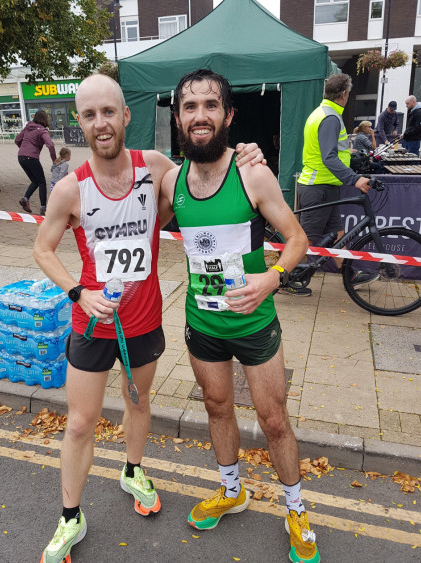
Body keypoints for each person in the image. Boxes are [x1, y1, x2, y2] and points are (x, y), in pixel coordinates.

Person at [33, 73, 263, 563]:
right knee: (80, 423)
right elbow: (43, 248)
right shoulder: (70, 190)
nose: (101, 123)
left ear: (126, 116)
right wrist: (78, 292)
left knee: (138, 402)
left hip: (144, 320)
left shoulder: (155, 166)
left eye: (109, 112)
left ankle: (132, 469)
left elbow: (209, 170)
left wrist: (249, 154)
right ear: (79, 122)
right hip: (93, 323)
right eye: (90, 115)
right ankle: (70, 518)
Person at [157, 68, 318, 563]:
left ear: (227, 115)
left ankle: (295, 507)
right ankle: (232, 490)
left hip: (253, 322)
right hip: (202, 323)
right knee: (216, 407)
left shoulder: (252, 173)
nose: (199, 115)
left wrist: (272, 279)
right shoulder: (171, 180)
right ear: (179, 119)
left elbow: (297, 240)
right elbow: (135, 215)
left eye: (210, 105)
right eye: (189, 107)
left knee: (273, 420)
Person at [296, 73, 373, 297]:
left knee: (338, 233)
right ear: (343, 94)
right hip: (317, 186)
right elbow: (328, 157)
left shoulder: (323, 113)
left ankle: (349, 275)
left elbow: (327, 151)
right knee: (306, 239)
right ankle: (284, 278)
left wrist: (347, 153)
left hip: (325, 185)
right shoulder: (330, 117)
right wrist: (355, 178)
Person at [16, 109, 56, 214]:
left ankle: (25, 199)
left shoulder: (28, 127)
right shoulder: (42, 130)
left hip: (21, 157)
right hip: (31, 157)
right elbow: (50, 145)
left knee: (35, 181)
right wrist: (54, 160)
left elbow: (17, 140)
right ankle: (43, 208)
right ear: (44, 119)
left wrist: (24, 149)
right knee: (42, 181)